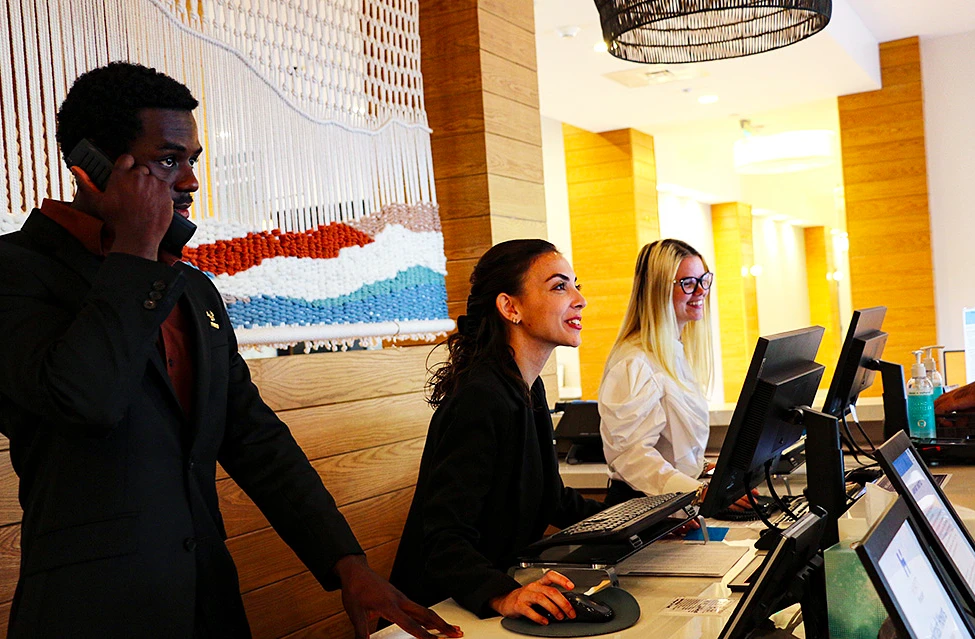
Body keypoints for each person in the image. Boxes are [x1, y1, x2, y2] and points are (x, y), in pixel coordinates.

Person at [0, 62, 460, 639]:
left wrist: (347, 565)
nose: (191, 181)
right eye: (169, 160)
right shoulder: (16, 270)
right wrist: (135, 249)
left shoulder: (190, 288)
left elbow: (253, 436)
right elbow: (84, 398)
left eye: (192, 160)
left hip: (208, 601)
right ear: (94, 167)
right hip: (89, 613)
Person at [389, 239, 604, 626]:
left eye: (576, 285)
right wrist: (503, 594)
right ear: (510, 308)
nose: (580, 299)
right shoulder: (481, 397)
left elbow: (552, 499)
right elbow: (444, 538)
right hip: (439, 613)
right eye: (560, 286)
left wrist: (638, 522)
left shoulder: (528, 386)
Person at [597, 239, 715, 506]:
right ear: (658, 290)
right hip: (641, 505)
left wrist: (703, 467)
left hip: (670, 502)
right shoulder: (634, 362)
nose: (700, 291)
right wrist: (698, 493)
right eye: (688, 283)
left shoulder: (674, 352)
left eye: (704, 280)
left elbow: (669, 444)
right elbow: (631, 457)